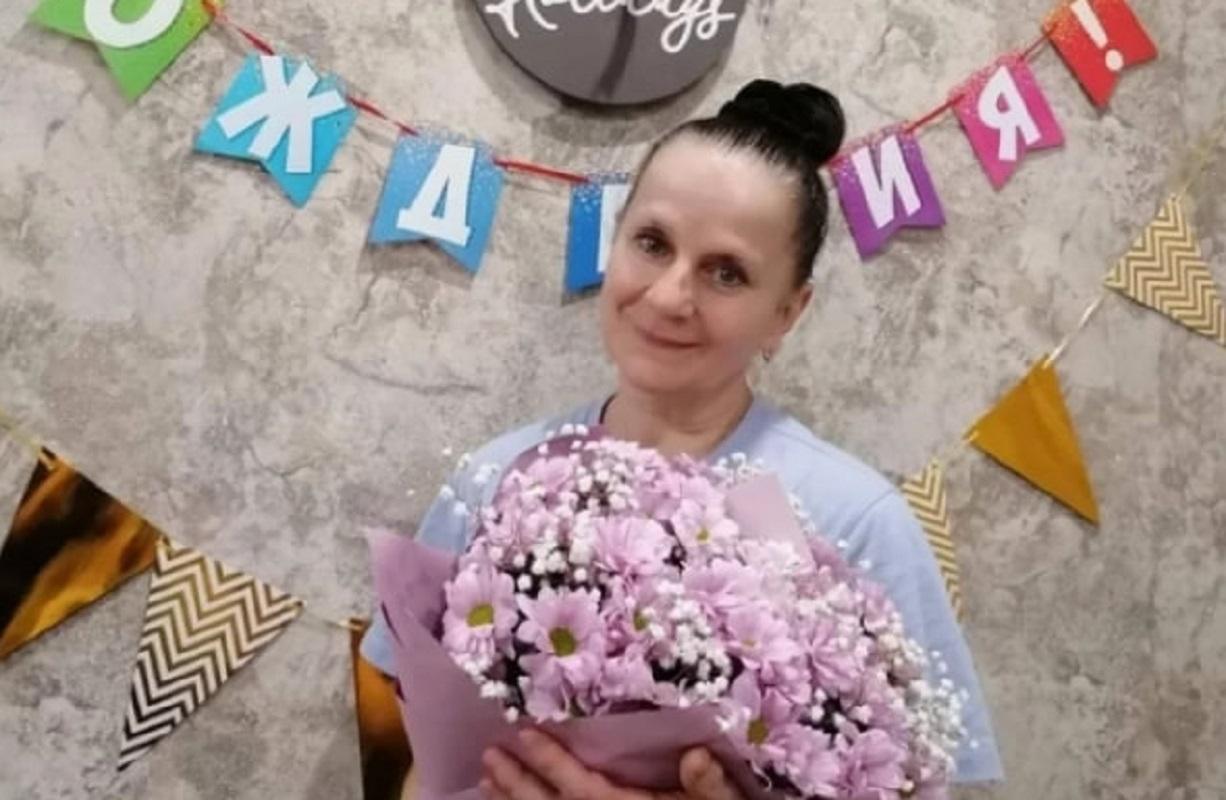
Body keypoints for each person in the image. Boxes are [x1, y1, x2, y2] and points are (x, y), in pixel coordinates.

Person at [363, 79, 1004, 799]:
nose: (669, 296)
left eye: (727, 273)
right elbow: (420, 764)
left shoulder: (856, 519)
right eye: (652, 243)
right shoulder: (496, 477)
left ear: (787, 314)